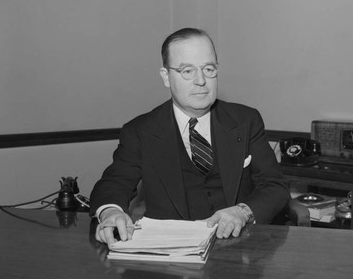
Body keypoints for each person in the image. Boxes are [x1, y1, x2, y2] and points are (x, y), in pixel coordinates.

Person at [90, 27, 289, 246]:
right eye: (187, 71)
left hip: (238, 249)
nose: (201, 81)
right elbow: (112, 184)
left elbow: (275, 186)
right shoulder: (140, 131)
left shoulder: (246, 120)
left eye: (209, 69)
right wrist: (110, 213)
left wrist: (243, 212)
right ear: (166, 77)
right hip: (170, 257)